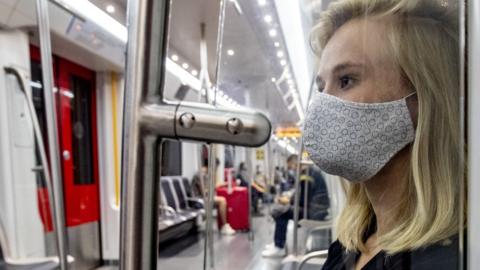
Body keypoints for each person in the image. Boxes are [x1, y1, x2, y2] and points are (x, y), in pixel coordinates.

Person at [303, 0, 463, 269]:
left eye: (346, 80)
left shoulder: (449, 259)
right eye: (321, 88)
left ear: (422, 96)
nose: (322, 105)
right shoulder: (352, 242)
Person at [262, 162, 330, 257]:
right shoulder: (311, 172)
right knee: (283, 210)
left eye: (291, 167)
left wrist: (288, 202)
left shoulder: (306, 176)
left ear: (297, 164)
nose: (291, 170)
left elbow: (303, 200)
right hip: (318, 209)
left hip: (314, 212)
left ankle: (279, 247)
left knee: (281, 213)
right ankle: (277, 243)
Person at [192, 159, 236, 235]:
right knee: (222, 200)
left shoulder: (206, 173)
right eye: (216, 167)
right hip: (199, 199)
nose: (216, 169)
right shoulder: (201, 174)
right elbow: (204, 192)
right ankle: (224, 226)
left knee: (222, 198)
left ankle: (222, 223)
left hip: (204, 197)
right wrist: (216, 185)